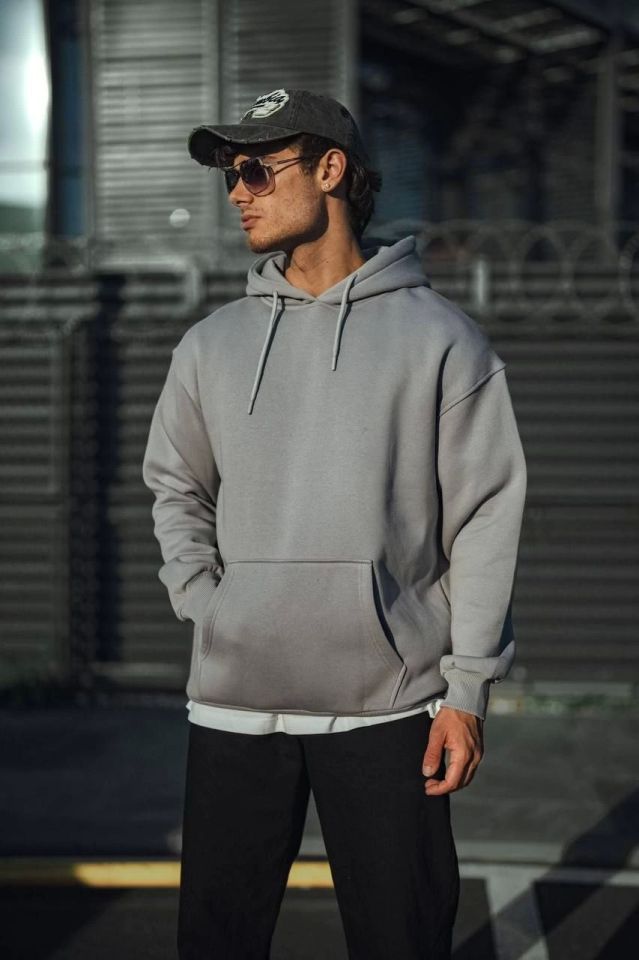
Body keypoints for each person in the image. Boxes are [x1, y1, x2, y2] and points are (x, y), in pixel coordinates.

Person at [142, 88, 527, 960]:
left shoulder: (440, 340)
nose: (236, 193)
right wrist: (208, 601)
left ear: (329, 170)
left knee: (402, 940)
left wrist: (467, 691)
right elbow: (175, 485)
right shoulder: (210, 344)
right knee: (216, 946)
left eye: (254, 170)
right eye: (229, 174)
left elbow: (483, 516)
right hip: (234, 706)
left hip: (387, 711)